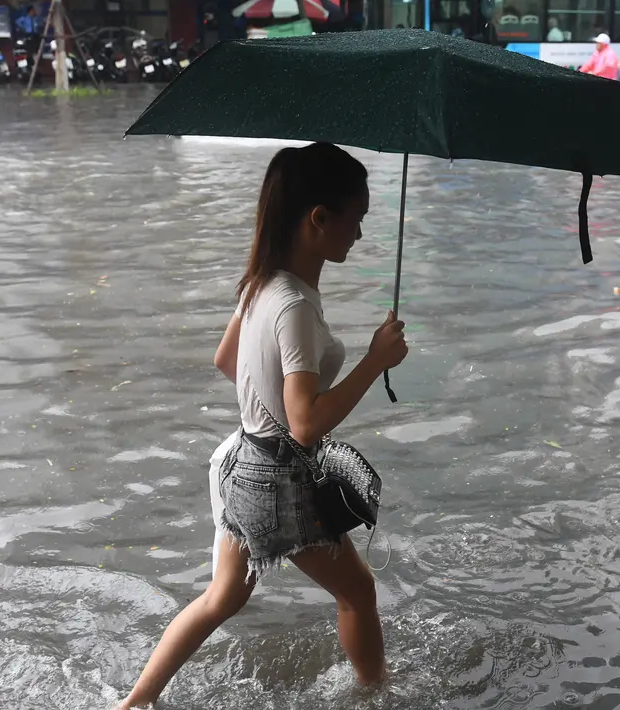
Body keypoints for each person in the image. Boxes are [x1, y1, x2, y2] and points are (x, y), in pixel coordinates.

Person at [115, 143, 409, 710]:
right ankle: (380, 698)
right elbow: (304, 425)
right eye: (357, 221)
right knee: (359, 593)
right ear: (319, 219)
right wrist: (375, 361)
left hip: (240, 462)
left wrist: (267, 403)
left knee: (221, 597)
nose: (361, 236)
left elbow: (227, 360)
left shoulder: (262, 282)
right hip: (276, 479)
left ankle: (133, 704)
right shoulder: (295, 304)